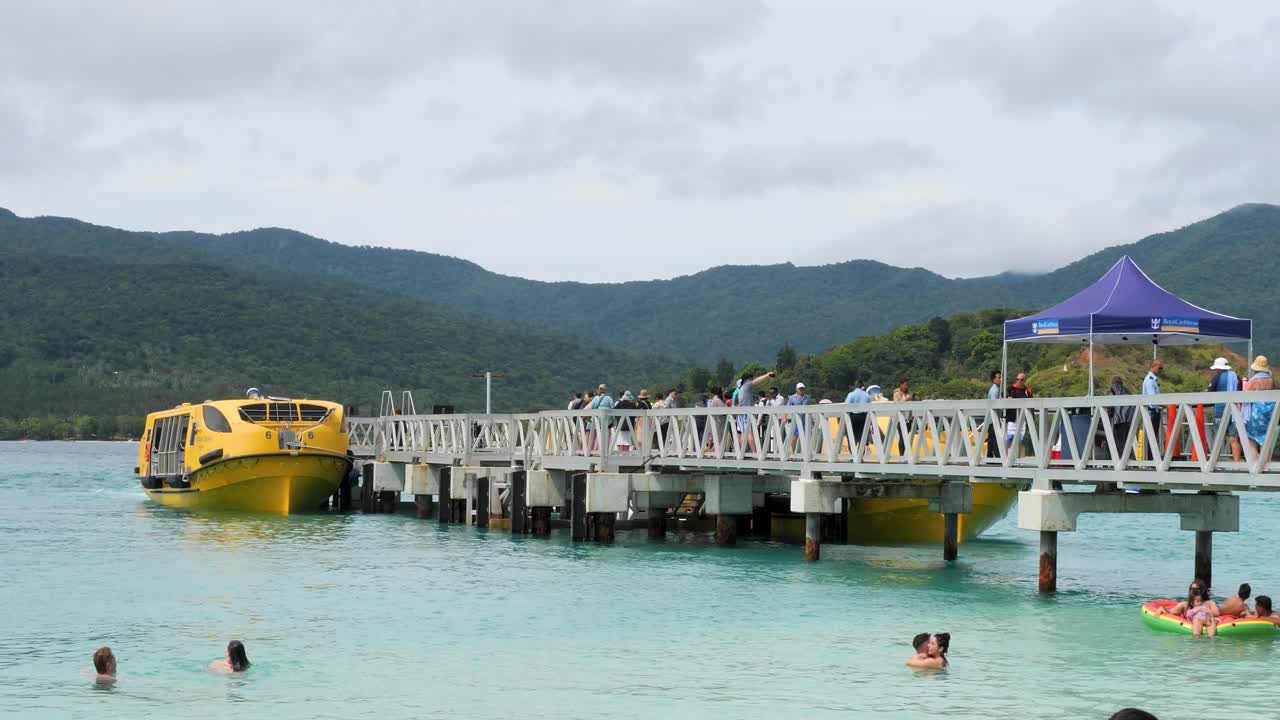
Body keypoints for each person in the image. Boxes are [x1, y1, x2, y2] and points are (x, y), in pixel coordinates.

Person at [735, 370, 776, 453]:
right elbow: (757, 381)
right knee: (749, 432)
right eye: (750, 379)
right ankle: (754, 453)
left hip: (741, 413)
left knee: (743, 433)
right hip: (746, 413)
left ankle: (742, 452)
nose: (751, 380)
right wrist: (767, 375)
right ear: (747, 379)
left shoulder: (740, 388)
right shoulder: (747, 385)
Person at [1244, 356, 1275, 456]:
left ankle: (1256, 463)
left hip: (1256, 413)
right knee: (1266, 439)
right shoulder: (1270, 380)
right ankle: (1267, 464)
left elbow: (1244, 394)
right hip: (1268, 413)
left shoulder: (1254, 380)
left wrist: (1244, 383)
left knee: (1249, 438)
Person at [1106, 376, 1135, 458]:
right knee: (1126, 442)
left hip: (1118, 420)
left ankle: (1124, 462)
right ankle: (1130, 460)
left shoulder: (1113, 389)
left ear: (1113, 383)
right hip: (1128, 419)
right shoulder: (1127, 390)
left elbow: (1110, 404)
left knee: (1119, 442)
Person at [1142, 359, 1163, 461]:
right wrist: (1165, 405)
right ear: (1153, 366)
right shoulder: (1150, 381)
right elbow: (1153, 400)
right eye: (1159, 368)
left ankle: (1151, 459)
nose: (1161, 370)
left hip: (1154, 412)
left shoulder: (1153, 380)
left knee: (1152, 437)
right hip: (1152, 412)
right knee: (1152, 437)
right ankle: (1150, 460)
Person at [845, 381, 870, 448]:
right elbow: (869, 407)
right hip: (863, 417)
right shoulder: (866, 395)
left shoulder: (851, 394)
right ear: (862, 386)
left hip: (853, 417)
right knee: (862, 436)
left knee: (851, 436)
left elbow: (846, 406)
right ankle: (860, 455)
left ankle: (854, 455)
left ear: (855, 386)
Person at [786, 382, 809, 453]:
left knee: (805, 437)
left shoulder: (807, 397)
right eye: (800, 388)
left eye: (802, 388)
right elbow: (787, 408)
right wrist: (784, 417)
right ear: (796, 389)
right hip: (795, 420)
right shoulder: (792, 397)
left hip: (804, 421)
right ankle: (792, 451)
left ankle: (804, 453)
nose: (801, 390)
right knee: (794, 438)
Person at [986, 369, 1002, 459]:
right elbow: (993, 405)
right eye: (999, 377)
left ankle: (989, 457)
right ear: (994, 379)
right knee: (994, 439)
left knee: (991, 439)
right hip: (993, 419)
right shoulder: (994, 391)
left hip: (992, 419)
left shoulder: (997, 389)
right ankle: (998, 457)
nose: (1000, 379)